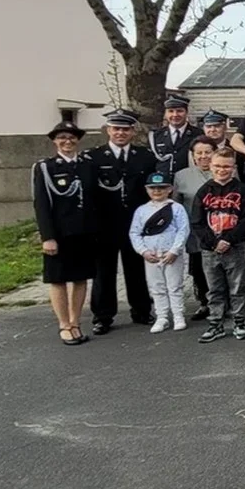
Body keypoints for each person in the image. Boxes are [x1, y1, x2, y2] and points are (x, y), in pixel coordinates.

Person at [88, 109, 157, 334]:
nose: (120, 133)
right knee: (104, 272)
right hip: (104, 224)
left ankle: (141, 310)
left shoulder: (145, 156)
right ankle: (102, 316)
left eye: (125, 129)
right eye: (116, 129)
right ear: (108, 130)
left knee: (136, 269)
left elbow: (151, 191)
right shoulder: (94, 157)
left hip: (134, 223)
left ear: (132, 131)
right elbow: (88, 193)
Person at [33, 121, 96, 345]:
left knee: (80, 279)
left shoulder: (87, 165)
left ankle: (76, 321)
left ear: (78, 140)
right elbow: (41, 204)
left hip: (84, 233)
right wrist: (47, 236)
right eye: (62, 138)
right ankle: (64, 325)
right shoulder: (45, 167)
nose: (67, 142)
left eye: (71, 137)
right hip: (59, 234)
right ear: (54, 141)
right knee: (58, 280)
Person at [190, 147, 245, 343]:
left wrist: (229, 239)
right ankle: (216, 323)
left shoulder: (242, 190)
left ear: (234, 167)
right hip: (210, 250)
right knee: (214, 289)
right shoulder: (203, 191)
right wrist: (213, 242)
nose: (222, 170)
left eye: (226, 166)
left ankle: (239, 322)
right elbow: (197, 221)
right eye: (218, 166)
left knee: (237, 288)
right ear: (210, 166)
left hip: (235, 247)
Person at [128, 172, 190, 333]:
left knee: (174, 286)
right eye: (153, 188)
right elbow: (134, 233)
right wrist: (143, 251)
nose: (157, 191)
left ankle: (178, 315)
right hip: (151, 255)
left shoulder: (176, 208)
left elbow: (183, 230)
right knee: (156, 287)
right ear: (147, 189)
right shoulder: (142, 210)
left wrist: (175, 250)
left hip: (171, 253)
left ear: (169, 189)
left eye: (161, 188)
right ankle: (162, 316)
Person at [174, 137, 217, 321]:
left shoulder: (225, 170)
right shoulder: (181, 176)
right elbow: (176, 204)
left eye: (207, 152)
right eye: (198, 153)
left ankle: (226, 301)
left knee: (222, 267)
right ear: (192, 155)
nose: (203, 156)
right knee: (199, 268)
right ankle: (205, 302)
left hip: (220, 228)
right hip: (196, 231)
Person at [149, 94, 203, 175]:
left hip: (189, 181)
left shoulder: (198, 134)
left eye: (179, 111)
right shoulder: (156, 135)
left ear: (186, 112)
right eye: (171, 111)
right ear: (165, 114)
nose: (175, 115)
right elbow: (151, 163)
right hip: (163, 183)